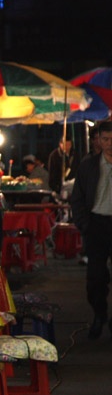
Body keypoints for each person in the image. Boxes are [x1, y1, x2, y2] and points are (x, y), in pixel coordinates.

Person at [70, 120, 112, 340]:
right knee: (95, 277)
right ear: (98, 141)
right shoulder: (89, 166)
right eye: (105, 139)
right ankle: (99, 314)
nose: (109, 143)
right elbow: (77, 198)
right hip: (96, 224)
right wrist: (84, 224)